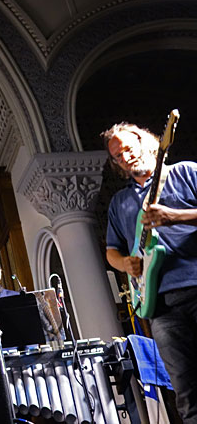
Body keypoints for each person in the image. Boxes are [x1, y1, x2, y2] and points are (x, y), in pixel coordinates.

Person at [102, 121, 197, 423]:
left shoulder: (184, 172)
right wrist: (124, 263)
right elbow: (111, 251)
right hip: (160, 308)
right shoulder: (119, 202)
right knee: (185, 392)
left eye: (129, 147)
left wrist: (175, 216)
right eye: (117, 156)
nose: (125, 157)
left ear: (151, 142)